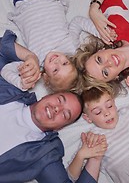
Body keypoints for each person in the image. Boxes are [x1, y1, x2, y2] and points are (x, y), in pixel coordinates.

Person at [3, 0, 116, 93]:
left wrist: (21, 82)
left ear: (46, 78)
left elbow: (6, 69)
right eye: (65, 63)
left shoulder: (35, 61)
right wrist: (99, 31)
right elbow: (77, 22)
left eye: (55, 69)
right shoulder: (70, 47)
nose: (58, 61)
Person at [0, 23, 106, 183]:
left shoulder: (43, 155)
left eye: (65, 114)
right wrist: (31, 57)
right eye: (59, 100)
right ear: (45, 96)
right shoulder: (12, 85)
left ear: (60, 128)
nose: (57, 108)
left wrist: (94, 158)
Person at [67, 75, 129, 183]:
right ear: (88, 118)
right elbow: (71, 176)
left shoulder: (128, 113)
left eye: (109, 106)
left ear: (115, 104)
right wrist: (81, 155)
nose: (106, 113)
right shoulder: (93, 139)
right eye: (98, 112)